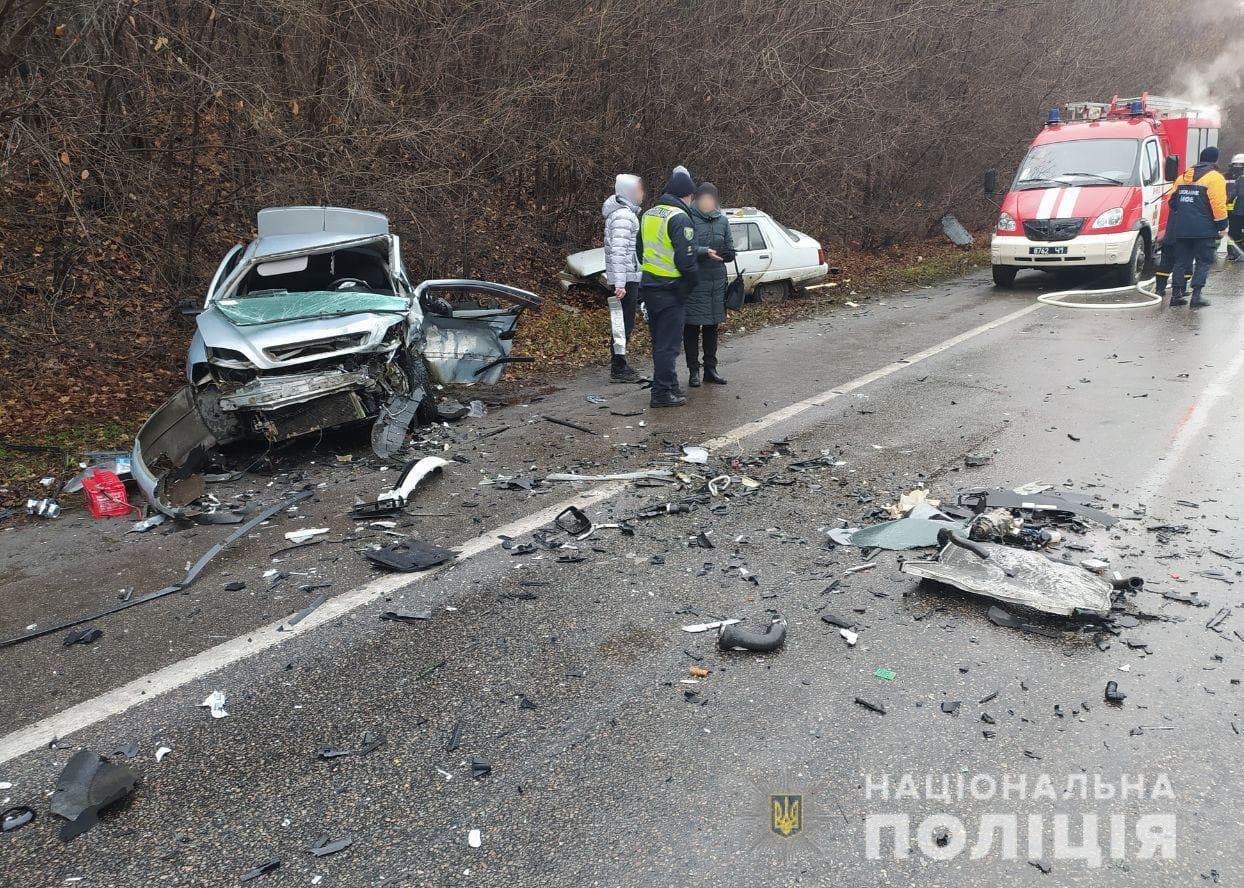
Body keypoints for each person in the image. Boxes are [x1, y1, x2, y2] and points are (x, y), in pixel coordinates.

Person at [636, 166, 707, 408]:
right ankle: (662, 393)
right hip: (670, 289)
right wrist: (690, 285)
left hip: (649, 285)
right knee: (668, 346)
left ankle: (670, 386)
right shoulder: (680, 218)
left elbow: (640, 249)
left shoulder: (649, 214)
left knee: (659, 343)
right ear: (686, 195)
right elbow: (686, 260)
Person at [683, 182, 735, 386]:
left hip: (717, 281)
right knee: (692, 327)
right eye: (704, 198)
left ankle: (710, 369)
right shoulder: (688, 219)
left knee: (712, 327)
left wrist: (729, 254)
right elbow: (685, 247)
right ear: (697, 199)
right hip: (696, 281)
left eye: (711, 199)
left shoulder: (723, 220)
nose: (708, 202)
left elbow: (729, 246)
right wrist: (704, 252)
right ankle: (693, 371)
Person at [1168, 146, 1229, 308]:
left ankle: (1176, 295)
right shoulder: (1215, 178)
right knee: (1203, 261)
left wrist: (1185, 214)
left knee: (1181, 261)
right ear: (1215, 159)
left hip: (1181, 228)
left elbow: (1172, 201)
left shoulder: (1183, 177)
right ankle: (1196, 297)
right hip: (1204, 230)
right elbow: (1218, 205)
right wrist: (1222, 226)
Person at [602, 174, 645, 382]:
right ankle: (618, 367)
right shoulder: (624, 217)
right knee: (623, 323)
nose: (642, 194)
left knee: (623, 322)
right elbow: (618, 252)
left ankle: (619, 363)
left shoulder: (623, 214)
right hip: (625, 279)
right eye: (639, 190)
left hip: (627, 275)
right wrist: (620, 284)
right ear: (629, 192)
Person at [1155, 163, 1195, 298]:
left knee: (1166, 261)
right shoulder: (1205, 183)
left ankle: (1159, 289)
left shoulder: (1180, 179)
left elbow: (1171, 201)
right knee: (1184, 263)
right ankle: (1180, 291)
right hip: (1187, 232)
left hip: (1172, 230)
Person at [1226, 153, 1244, 261]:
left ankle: (1233, 253)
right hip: (1235, 212)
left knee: (1233, 233)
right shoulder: (1226, 176)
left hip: (1237, 212)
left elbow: (1232, 196)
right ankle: (1233, 253)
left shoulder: (1240, 180)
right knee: (1234, 233)